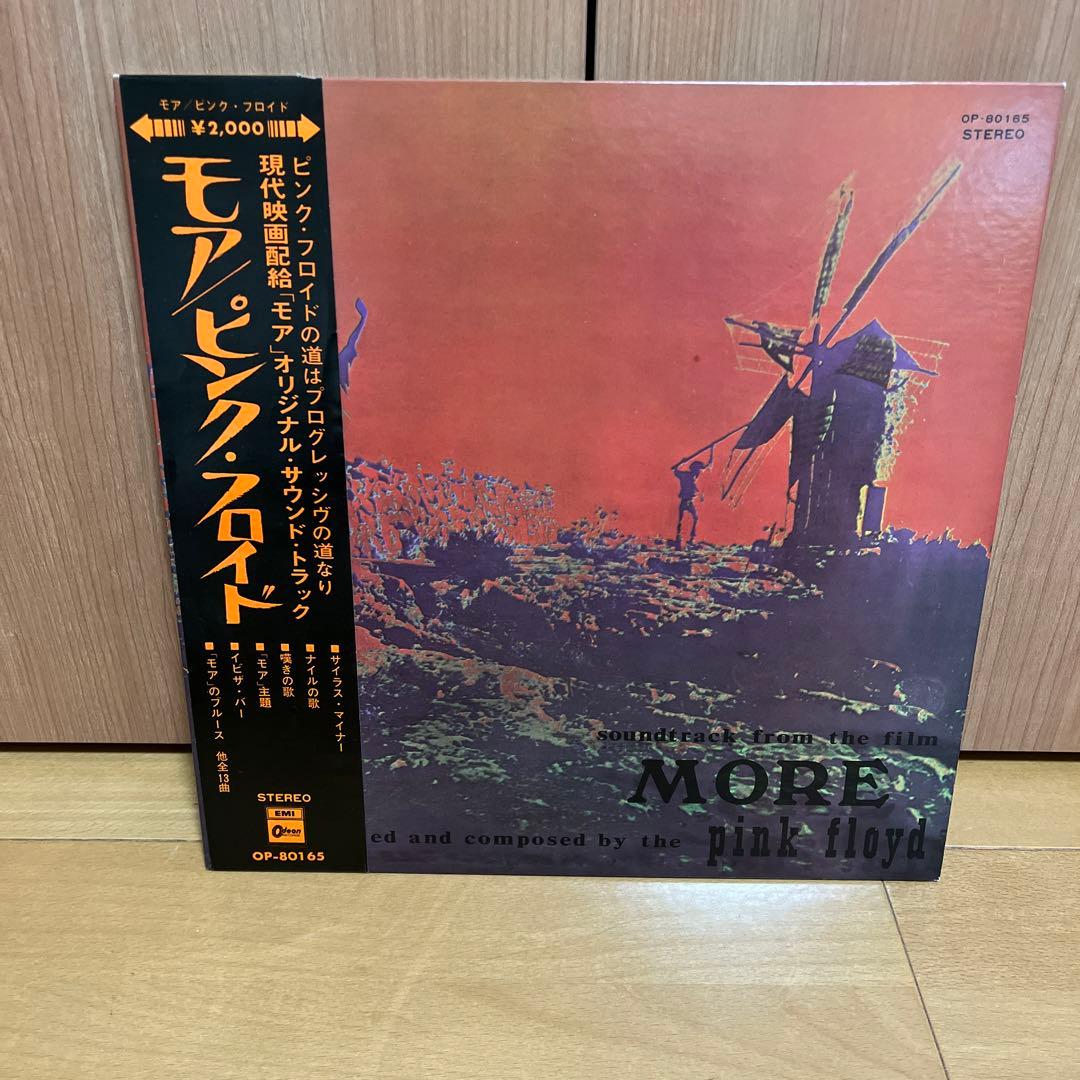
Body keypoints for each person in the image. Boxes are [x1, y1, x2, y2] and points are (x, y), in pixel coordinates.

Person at [672, 446, 714, 549]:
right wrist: (681, 463)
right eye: (698, 470)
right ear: (694, 469)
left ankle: (689, 537)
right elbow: (675, 471)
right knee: (683, 519)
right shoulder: (686, 475)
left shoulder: (694, 476)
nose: (699, 472)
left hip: (689, 500)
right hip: (685, 500)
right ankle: (680, 537)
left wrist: (712, 450)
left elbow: (708, 466)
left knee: (693, 518)